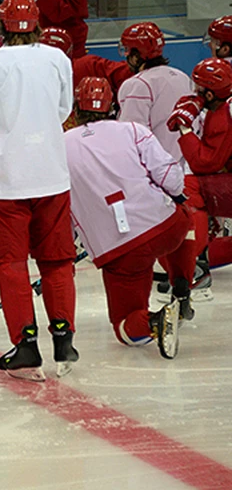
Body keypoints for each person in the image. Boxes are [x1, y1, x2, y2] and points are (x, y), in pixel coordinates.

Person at [0, 0, 77, 381]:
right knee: (57, 260)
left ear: (1, 25)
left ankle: (26, 345)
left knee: (11, 264)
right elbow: (63, 110)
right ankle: (64, 339)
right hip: (50, 174)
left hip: (3, 179)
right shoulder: (58, 58)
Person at [65, 76, 187, 357]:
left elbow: (61, 208)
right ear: (113, 106)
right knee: (188, 212)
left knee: (125, 328)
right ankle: (184, 281)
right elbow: (172, 179)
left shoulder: (60, 146)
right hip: (166, 228)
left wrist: (68, 247)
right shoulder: (132, 130)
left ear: (75, 108)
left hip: (120, 250)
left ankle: (153, 320)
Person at [165, 58, 232, 321]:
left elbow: (205, 162)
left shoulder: (223, 114)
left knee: (191, 187)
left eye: (199, 87)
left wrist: (184, 128)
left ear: (209, 92)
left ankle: (196, 267)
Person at [117, 21, 191, 163]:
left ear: (136, 55)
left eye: (126, 50)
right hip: (184, 165)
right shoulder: (182, 76)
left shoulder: (137, 84)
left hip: (154, 170)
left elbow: (133, 135)